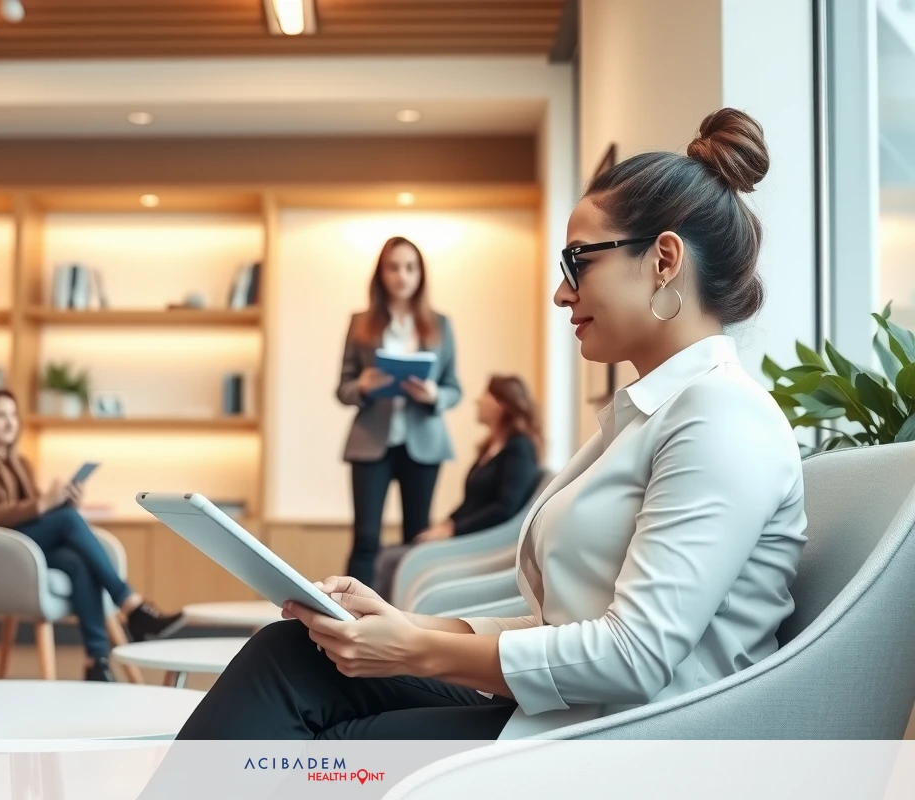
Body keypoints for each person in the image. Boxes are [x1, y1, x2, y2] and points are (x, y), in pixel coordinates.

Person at [168, 108, 807, 740]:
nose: (563, 293)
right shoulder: (654, 414)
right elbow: (572, 627)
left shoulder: (722, 417)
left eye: (577, 262)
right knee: (293, 655)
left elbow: (632, 656)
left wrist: (412, 651)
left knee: (328, 763)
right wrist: (405, 624)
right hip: (570, 711)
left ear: (665, 260)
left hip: (623, 741)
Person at [0, 388, 183, 682]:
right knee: (68, 521)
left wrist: (63, 501)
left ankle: (95, 660)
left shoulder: (19, 463)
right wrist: (46, 504)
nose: (10, 422)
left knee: (76, 561)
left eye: (12, 415)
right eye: (0, 415)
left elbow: (36, 512)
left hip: (24, 547)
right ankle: (131, 605)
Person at [337, 236, 461, 588]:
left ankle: (407, 621)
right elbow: (342, 388)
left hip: (423, 444)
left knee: (417, 538)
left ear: (420, 273)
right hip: (370, 443)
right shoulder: (359, 323)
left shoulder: (440, 324)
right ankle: (348, 619)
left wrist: (434, 394)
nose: (402, 275)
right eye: (393, 267)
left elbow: (455, 388)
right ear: (381, 274)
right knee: (365, 538)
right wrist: (362, 385)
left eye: (410, 267)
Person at [371, 374, 542, 602]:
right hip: (468, 534)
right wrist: (447, 523)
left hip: (483, 542)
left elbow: (504, 508)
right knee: (387, 554)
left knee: (391, 559)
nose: (478, 401)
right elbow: (471, 502)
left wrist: (454, 530)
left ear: (502, 404)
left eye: (486, 395)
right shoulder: (490, 446)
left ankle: (380, 627)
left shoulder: (519, 448)